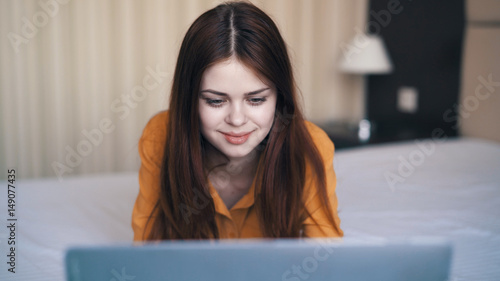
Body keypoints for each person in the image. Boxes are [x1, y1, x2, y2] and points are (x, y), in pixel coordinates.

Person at [132, 1, 343, 241]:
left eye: (256, 100)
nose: (237, 120)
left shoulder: (311, 146)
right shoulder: (159, 136)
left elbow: (325, 256)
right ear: (189, 100)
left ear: (279, 98)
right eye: (215, 101)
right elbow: (148, 251)